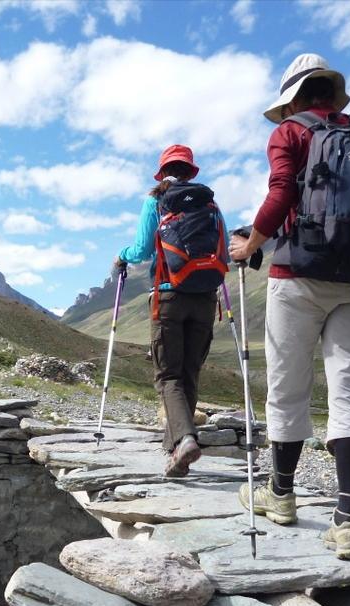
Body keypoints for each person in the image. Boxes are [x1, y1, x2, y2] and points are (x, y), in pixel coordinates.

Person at [230, 53, 350, 561]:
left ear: (292, 97)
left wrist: (250, 245)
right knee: (347, 391)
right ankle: (347, 522)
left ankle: (280, 494)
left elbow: (280, 194)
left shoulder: (290, 132)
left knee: (287, 387)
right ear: (332, 93)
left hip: (298, 274)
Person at [115, 144, 229, 477]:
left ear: (162, 171)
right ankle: (176, 448)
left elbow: (141, 249)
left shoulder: (155, 201)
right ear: (191, 171)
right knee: (190, 372)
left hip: (168, 297)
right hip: (206, 298)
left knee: (168, 376)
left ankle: (184, 439)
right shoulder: (210, 205)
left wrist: (122, 256)